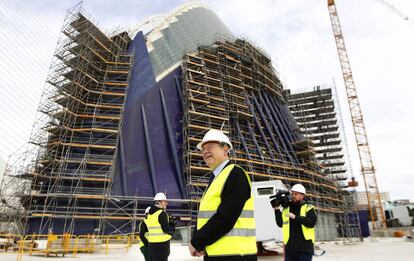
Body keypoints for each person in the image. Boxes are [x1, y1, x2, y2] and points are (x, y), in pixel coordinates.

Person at [189, 129, 257, 260]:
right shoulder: (216, 178)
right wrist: (200, 243)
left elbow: (226, 217)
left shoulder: (236, 174)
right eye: (203, 149)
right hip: (217, 253)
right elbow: (206, 216)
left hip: (235, 255)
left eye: (210, 147)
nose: (205, 151)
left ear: (225, 150)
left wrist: (197, 241)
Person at [274, 184, 317, 261]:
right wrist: (277, 210)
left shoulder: (309, 207)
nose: (293, 196)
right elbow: (280, 223)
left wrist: (295, 217)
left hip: (305, 248)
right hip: (290, 249)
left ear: (302, 196)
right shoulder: (286, 208)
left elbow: (311, 223)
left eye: (296, 194)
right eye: (292, 194)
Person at [140, 193, 175, 261]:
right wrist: (172, 226)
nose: (166, 203)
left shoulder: (150, 215)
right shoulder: (162, 214)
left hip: (152, 246)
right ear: (159, 202)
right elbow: (167, 230)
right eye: (165, 201)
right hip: (162, 246)